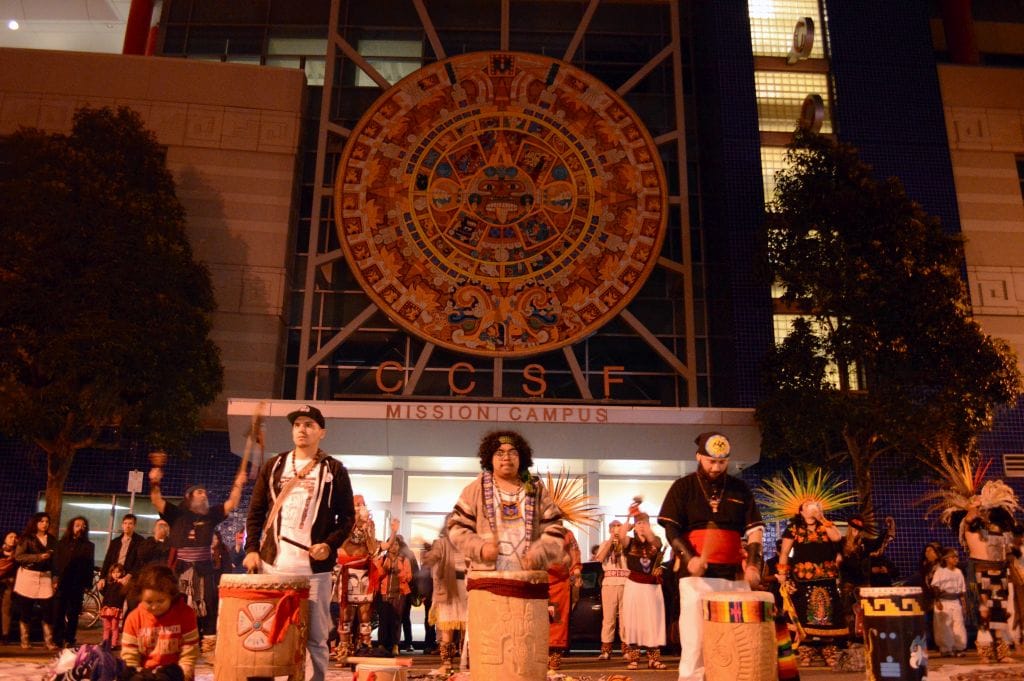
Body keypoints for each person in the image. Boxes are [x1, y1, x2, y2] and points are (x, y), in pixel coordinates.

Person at [243, 404, 356, 681]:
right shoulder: (275, 465)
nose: (301, 430)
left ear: (322, 433)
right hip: (273, 566)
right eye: (297, 425)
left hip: (314, 572)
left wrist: (329, 545)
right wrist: (252, 549)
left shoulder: (334, 469)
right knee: (268, 630)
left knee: (316, 639)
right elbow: (256, 511)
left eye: (308, 425)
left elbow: (348, 517)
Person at [447, 430, 568, 672]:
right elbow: (455, 528)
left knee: (526, 660)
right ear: (489, 458)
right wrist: (481, 548)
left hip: (529, 587)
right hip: (489, 587)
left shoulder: (535, 489)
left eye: (512, 452)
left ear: (521, 457)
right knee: (493, 658)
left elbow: (556, 528)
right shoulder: (475, 489)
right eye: (499, 453)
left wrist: (540, 551)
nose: (506, 458)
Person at [657, 432, 765, 681]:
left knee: (738, 637)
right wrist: (689, 559)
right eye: (710, 461)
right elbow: (671, 529)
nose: (716, 467)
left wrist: (753, 565)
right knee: (695, 640)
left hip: (734, 577)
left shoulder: (740, 489)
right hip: (697, 577)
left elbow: (755, 531)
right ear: (699, 457)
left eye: (722, 462)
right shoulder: (683, 487)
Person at [149, 458, 246, 651]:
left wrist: (238, 484)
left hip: (204, 570)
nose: (204, 495)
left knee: (209, 606)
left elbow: (232, 503)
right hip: (180, 570)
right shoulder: (176, 514)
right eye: (200, 492)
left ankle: (208, 646)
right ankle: (174, 644)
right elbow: (156, 501)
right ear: (189, 496)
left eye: (205, 492)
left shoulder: (210, 514)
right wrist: (155, 482)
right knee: (176, 605)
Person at [776, 500, 846, 667]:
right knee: (803, 614)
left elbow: (837, 537)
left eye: (816, 507)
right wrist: (782, 574)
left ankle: (828, 648)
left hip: (826, 579)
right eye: (808, 507)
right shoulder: (794, 528)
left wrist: (821, 517)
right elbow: (784, 553)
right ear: (801, 511)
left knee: (828, 615)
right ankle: (807, 648)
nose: (812, 509)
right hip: (802, 579)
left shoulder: (827, 525)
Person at [121, 563, 199, 681]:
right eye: (149, 602)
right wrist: (136, 674)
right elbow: (130, 656)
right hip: (145, 674)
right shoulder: (134, 618)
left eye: (160, 601)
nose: (154, 606)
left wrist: (183, 674)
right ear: (140, 597)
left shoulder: (185, 614)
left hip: (175, 675)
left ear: (171, 596)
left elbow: (189, 652)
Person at [620, 512, 667, 670]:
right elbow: (621, 537)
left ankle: (653, 659)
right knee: (634, 621)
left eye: (644, 523)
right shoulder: (630, 542)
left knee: (652, 622)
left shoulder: (656, 541)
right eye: (638, 523)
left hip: (652, 587)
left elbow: (656, 542)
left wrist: (647, 531)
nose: (641, 525)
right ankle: (634, 659)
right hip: (634, 585)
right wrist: (627, 520)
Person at [335, 493, 379, 660]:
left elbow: (373, 549)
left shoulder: (369, 525)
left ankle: (365, 647)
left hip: (364, 571)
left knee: (365, 613)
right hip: (347, 570)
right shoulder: (344, 523)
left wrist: (367, 530)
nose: (361, 506)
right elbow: (341, 544)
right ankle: (344, 650)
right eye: (357, 503)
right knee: (346, 614)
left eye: (363, 503)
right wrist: (353, 524)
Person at [422, 515, 468, 673]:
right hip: (447, 588)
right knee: (447, 628)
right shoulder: (442, 543)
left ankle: (465, 660)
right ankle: (447, 663)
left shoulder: (467, 542)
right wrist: (429, 556)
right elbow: (432, 558)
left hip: (466, 588)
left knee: (467, 629)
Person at [13, 511, 58, 650]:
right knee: (26, 608)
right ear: (36, 523)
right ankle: (25, 640)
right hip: (28, 575)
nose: (45, 524)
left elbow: (56, 560)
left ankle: (49, 641)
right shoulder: (27, 538)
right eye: (42, 521)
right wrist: (38, 557)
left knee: (47, 609)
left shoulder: (51, 539)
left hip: (45, 576)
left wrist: (55, 577)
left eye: (47, 522)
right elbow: (19, 557)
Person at [52, 515, 95, 648]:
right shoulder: (62, 544)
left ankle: (70, 638)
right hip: (63, 582)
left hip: (78, 583)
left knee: (73, 613)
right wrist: (55, 578)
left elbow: (89, 565)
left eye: (83, 525)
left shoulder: (89, 546)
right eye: (77, 525)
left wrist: (88, 583)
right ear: (71, 527)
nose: (80, 528)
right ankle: (57, 638)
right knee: (59, 611)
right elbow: (56, 563)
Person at [376, 519, 413, 655]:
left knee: (397, 620)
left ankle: (395, 646)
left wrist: (399, 571)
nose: (394, 547)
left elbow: (408, 577)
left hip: (399, 594)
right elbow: (378, 575)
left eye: (396, 544)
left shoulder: (404, 559)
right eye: (392, 544)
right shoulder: (382, 559)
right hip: (385, 593)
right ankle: (381, 645)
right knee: (384, 620)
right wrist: (383, 567)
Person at [594, 519, 629, 660]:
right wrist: (610, 540)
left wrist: (622, 537)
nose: (616, 528)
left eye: (618, 526)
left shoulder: (627, 543)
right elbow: (600, 558)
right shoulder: (605, 543)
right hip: (609, 583)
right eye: (613, 526)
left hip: (626, 582)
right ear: (609, 530)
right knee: (608, 618)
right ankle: (606, 650)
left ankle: (626, 649)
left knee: (626, 618)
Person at [548, 527, 582, 670]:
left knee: (557, 619)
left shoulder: (567, 534)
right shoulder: (535, 529)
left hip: (560, 584)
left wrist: (577, 570)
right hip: (538, 580)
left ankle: (554, 655)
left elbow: (574, 552)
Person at [931, 548, 967, 657]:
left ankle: (959, 648)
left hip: (955, 601)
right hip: (943, 601)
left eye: (957, 557)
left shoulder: (958, 572)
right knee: (944, 626)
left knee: (958, 624)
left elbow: (962, 590)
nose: (956, 559)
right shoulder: (940, 571)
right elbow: (935, 587)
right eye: (953, 557)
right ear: (946, 559)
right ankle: (946, 648)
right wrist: (937, 601)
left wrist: (964, 605)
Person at [98, 515, 142, 592]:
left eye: (130, 523)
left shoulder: (140, 541)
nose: (127, 526)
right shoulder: (115, 542)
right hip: (113, 576)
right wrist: (102, 578)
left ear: (134, 526)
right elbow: (107, 561)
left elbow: (139, 562)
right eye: (125, 523)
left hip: (129, 578)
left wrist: (129, 576)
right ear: (122, 525)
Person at [100, 563, 126, 648]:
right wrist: (101, 589)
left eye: (118, 572)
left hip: (116, 608)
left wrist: (123, 584)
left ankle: (114, 643)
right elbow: (105, 594)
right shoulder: (108, 583)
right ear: (111, 573)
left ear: (122, 573)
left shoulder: (122, 584)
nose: (116, 574)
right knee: (106, 627)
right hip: (106, 607)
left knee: (114, 627)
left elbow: (124, 594)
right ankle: (105, 642)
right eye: (114, 572)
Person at [0, 530, 17, 644]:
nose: (13, 539)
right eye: (10, 536)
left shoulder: (17, 555)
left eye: (15, 537)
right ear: (5, 538)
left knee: (6, 610)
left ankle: (5, 635)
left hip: (9, 585)